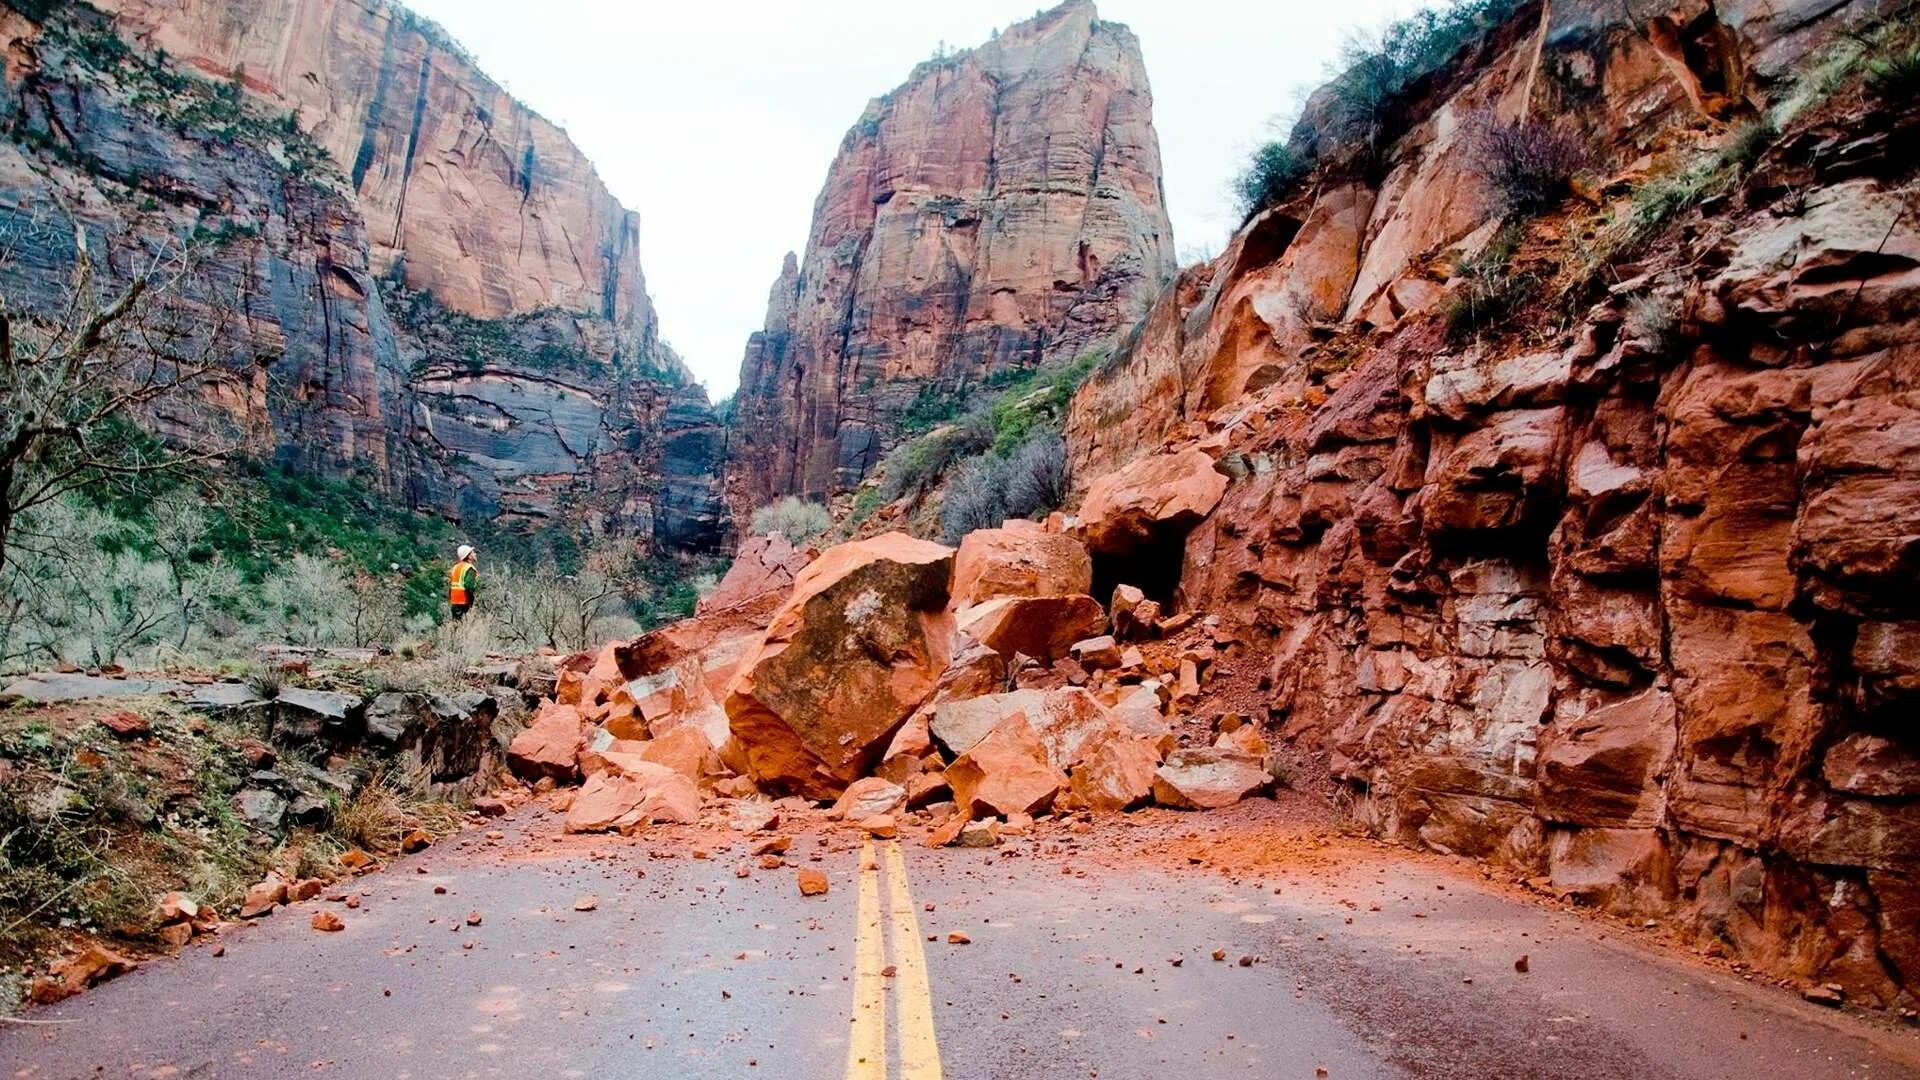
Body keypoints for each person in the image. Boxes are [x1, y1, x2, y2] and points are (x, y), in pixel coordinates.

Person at [448, 544, 477, 620]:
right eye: (473, 552)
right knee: (464, 626)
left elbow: (451, 585)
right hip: (464, 602)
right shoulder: (469, 568)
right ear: (469, 556)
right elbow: (469, 586)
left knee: (456, 626)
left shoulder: (456, 567)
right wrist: (472, 601)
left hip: (454, 601)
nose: (475, 554)